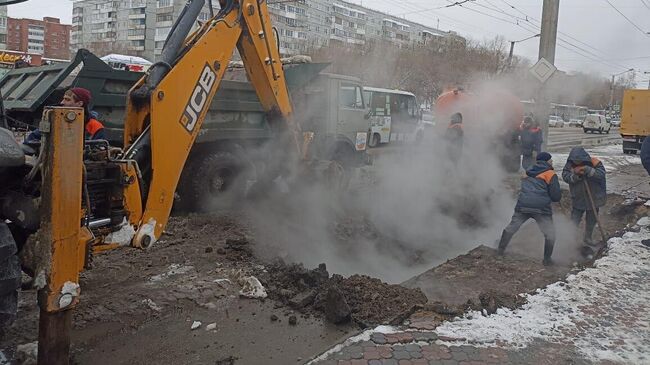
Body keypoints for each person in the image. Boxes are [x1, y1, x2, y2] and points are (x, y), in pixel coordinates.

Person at [497, 152, 561, 266]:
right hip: (541, 208)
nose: (552, 162)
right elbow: (556, 196)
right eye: (550, 160)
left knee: (511, 228)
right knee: (550, 234)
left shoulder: (527, 171)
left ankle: (500, 251)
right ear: (547, 161)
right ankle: (547, 260)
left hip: (523, 205)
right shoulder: (550, 174)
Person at [561, 147, 606, 247]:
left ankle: (588, 238)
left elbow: (601, 174)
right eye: (575, 161)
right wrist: (576, 176)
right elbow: (565, 176)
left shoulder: (595, 162)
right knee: (575, 219)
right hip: (578, 197)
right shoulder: (569, 164)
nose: (577, 163)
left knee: (591, 219)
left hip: (594, 197)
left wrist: (587, 170)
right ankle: (570, 239)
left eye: (579, 161)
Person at [25, 87, 105, 143]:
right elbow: (31, 139)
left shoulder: (94, 127)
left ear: (79, 103)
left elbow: (98, 150)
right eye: (63, 99)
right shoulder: (55, 121)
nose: (62, 103)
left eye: (67, 100)